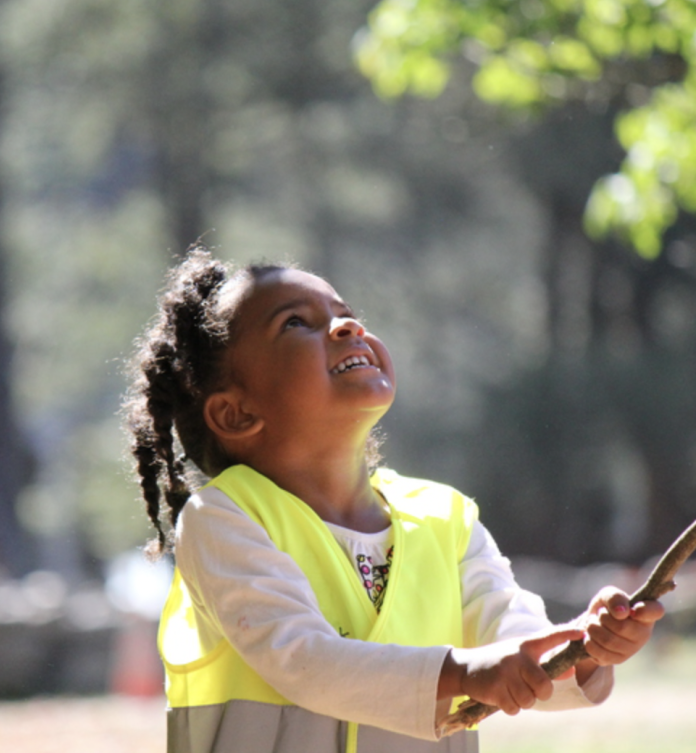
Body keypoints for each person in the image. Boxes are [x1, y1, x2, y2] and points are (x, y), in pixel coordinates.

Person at [124, 246, 664, 753]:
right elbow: (303, 660)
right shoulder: (224, 519)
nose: (348, 325)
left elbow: (514, 639)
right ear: (236, 413)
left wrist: (585, 648)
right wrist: (465, 671)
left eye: (345, 312)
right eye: (296, 323)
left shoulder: (446, 517)